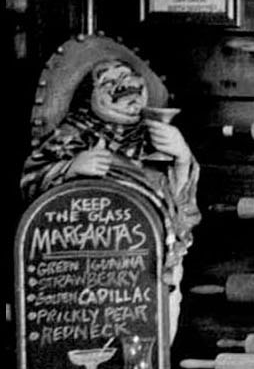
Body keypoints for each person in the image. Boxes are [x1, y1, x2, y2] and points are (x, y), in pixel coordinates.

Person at [21, 58, 200, 335]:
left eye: (128, 76)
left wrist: (182, 160)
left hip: (151, 269)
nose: (124, 85)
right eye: (108, 82)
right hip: (87, 277)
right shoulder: (72, 136)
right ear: (89, 96)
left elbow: (181, 210)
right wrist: (70, 167)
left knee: (155, 345)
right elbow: (30, 186)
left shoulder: (157, 136)